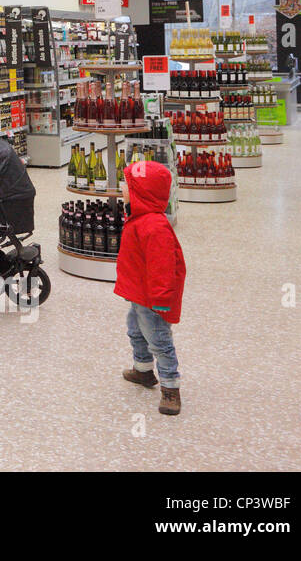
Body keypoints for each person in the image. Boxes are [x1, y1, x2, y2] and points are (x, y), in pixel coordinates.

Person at [115, 159, 186, 415]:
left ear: (142, 192)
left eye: (128, 184)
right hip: (138, 291)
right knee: (135, 331)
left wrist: (161, 299)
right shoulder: (138, 217)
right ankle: (143, 371)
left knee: (158, 339)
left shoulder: (154, 227)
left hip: (152, 297)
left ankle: (170, 387)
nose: (122, 187)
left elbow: (164, 268)